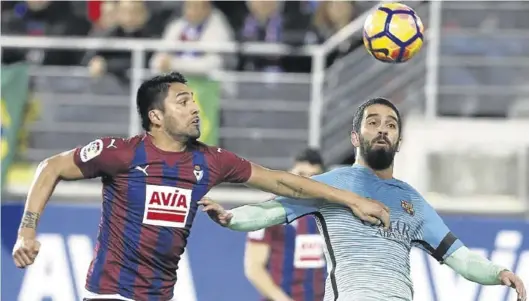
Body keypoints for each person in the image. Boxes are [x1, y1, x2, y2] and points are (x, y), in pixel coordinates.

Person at [11, 72, 390, 301]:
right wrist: (27, 230)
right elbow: (50, 167)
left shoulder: (210, 160)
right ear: (155, 116)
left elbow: (282, 181)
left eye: (194, 100)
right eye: (183, 101)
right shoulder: (121, 154)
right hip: (111, 293)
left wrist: (352, 199)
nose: (195, 108)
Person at [201, 97, 527, 301]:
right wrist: (232, 218)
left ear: (399, 141)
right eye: (373, 123)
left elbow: (460, 257)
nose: (383, 129)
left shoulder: (413, 202)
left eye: (391, 125)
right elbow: (272, 211)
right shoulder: (330, 185)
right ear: (355, 137)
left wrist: (498, 273)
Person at [245, 148, 326, 301]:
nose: (306, 181)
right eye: (301, 174)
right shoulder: (268, 211)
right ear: (289, 174)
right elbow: (254, 268)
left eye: (313, 176)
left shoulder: (330, 214)